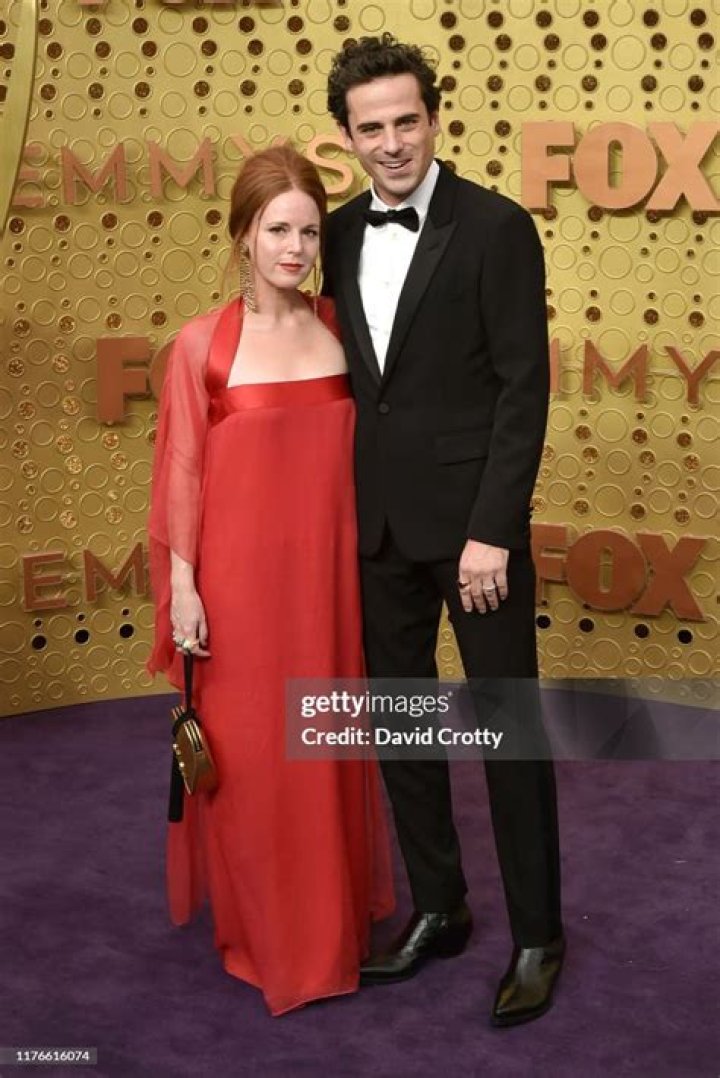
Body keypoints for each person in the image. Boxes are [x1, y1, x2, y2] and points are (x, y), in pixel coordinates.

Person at [323, 35, 564, 1027]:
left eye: (406, 121)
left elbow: (523, 386)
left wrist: (493, 530)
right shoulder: (337, 234)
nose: (391, 143)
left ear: (434, 118)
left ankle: (540, 933)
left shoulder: (497, 226)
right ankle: (441, 907)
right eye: (371, 127)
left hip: (476, 538)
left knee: (508, 735)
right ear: (346, 136)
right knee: (405, 729)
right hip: (376, 528)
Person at [147, 145, 394, 1017]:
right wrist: (184, 587)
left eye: (309, 232)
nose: (294, 248)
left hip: (328, 588)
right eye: (277, 230)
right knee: (253, 765)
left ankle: (329, 934)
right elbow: (182, 472)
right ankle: (266, 938)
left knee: (323, 751)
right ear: (243, 235)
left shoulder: (342, 329)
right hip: (239, 590)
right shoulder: (201, 344)